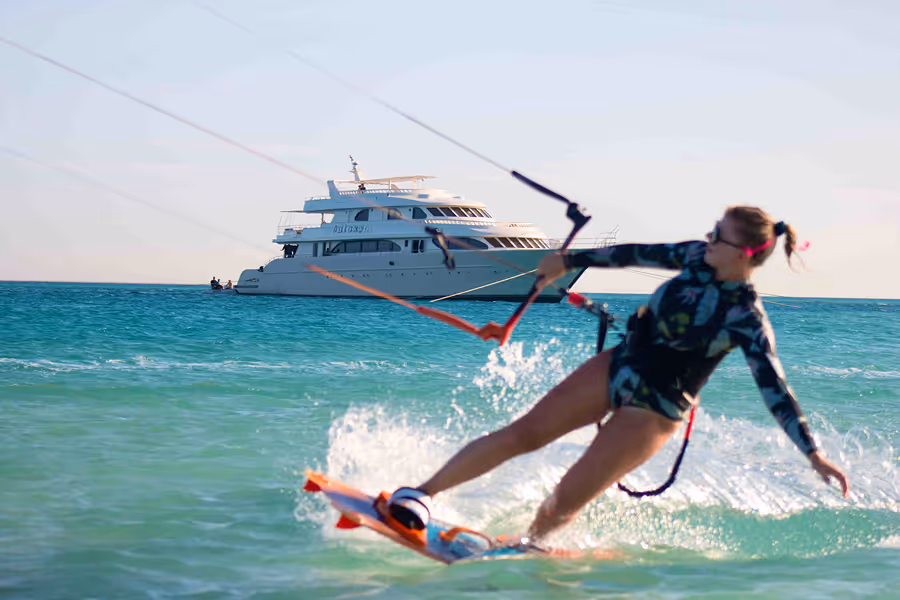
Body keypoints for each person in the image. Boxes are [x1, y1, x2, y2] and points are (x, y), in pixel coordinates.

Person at [387, 206, 850, 545]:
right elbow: (632, 253)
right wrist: (568, 262)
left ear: (745, 254)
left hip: (659, 406)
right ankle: (421, 495)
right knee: (524, 433)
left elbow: (775, 390)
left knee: (568, 494)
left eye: (719, 235)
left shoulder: (748, 318)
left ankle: (527, 551)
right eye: (711, 228)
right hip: (621, 364)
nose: (708, 236)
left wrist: (813, 453)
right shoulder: (693, 256)